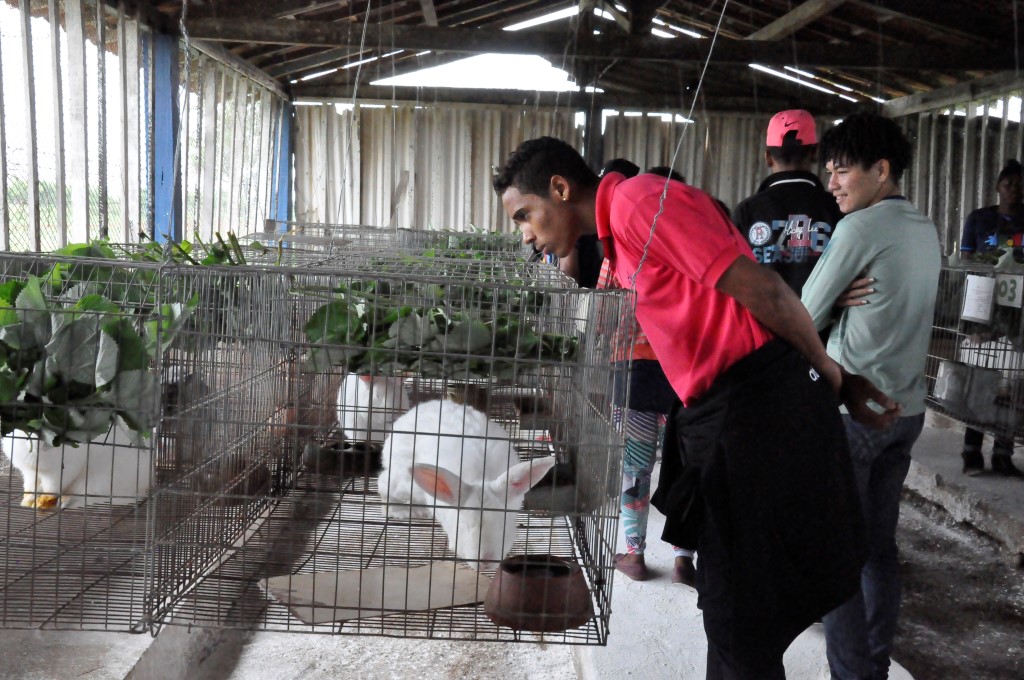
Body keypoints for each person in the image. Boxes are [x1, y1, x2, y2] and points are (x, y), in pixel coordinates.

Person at [493, 136, 896, 679]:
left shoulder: (639, 203)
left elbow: (766, 290)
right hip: (720, 409)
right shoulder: (616, 237)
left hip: (755, 404)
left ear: (560, 189)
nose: (525, 233)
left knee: (740, 614)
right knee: (735, 611)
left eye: (524, 215)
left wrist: (832, 374)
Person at [801, 112, 941, 680]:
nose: (832, 184)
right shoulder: (923, 228)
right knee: (879, 549)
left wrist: (832, 302)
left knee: (838, 554)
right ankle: (874, 667)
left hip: (854, 415)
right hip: (906, 414)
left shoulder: (859, 229)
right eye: (829, 171)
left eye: (842, 171)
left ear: (881, 170)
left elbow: (802, 313)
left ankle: (851, 673)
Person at [598, 163, 696, 586]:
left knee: (636, 468)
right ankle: (683, 556)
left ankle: (635, 553)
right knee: (683, 465)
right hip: (683, 374)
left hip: (633, 372)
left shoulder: (619, 249)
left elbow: (602, 316)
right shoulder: (692, 248)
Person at [958, 159, 1024, 477]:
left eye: (1019, 185)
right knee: (980, 380)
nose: (1014, 190)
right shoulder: (979, 218)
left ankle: (1002, 454)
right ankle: (971, 452)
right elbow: (965, 262)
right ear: (998, 186)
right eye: (1008, 184)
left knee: (1013, 386)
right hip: (984, 308)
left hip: (1018, 313)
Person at [733, 109, 843, 296]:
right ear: (815, 153)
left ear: (768, 157)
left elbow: (735, 278)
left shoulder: (747, 211)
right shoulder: (836, 207)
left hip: (763, 315)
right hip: (822, 315)